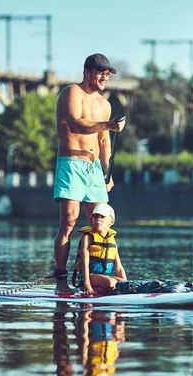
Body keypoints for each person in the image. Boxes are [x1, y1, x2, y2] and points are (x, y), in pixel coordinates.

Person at [52, 53, 126, 294]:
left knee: (102, 224)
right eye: (100, 72)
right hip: (71, 163)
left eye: (108, 73)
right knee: (70, 221)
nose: (105, 76)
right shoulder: (71, 92)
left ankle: (99, 277)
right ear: (86, 71)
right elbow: (75, 123)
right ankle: (61, 280)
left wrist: (108, 172)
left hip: (94, 169)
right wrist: (108, 124)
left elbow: (104, 140)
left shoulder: (105, 105)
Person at [73, 203, 127, 294]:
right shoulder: (87, 237)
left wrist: (126, 285)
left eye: (102, 217)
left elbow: (119, 267)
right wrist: (87, 284)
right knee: (112, 283)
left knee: (121, 283)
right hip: (89, 276)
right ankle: (84, 287)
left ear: (111, 222)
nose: (98, 219)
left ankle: (99, 290)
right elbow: (84, 263)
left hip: (103, 278)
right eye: (95, 217)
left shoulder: (111, 239)